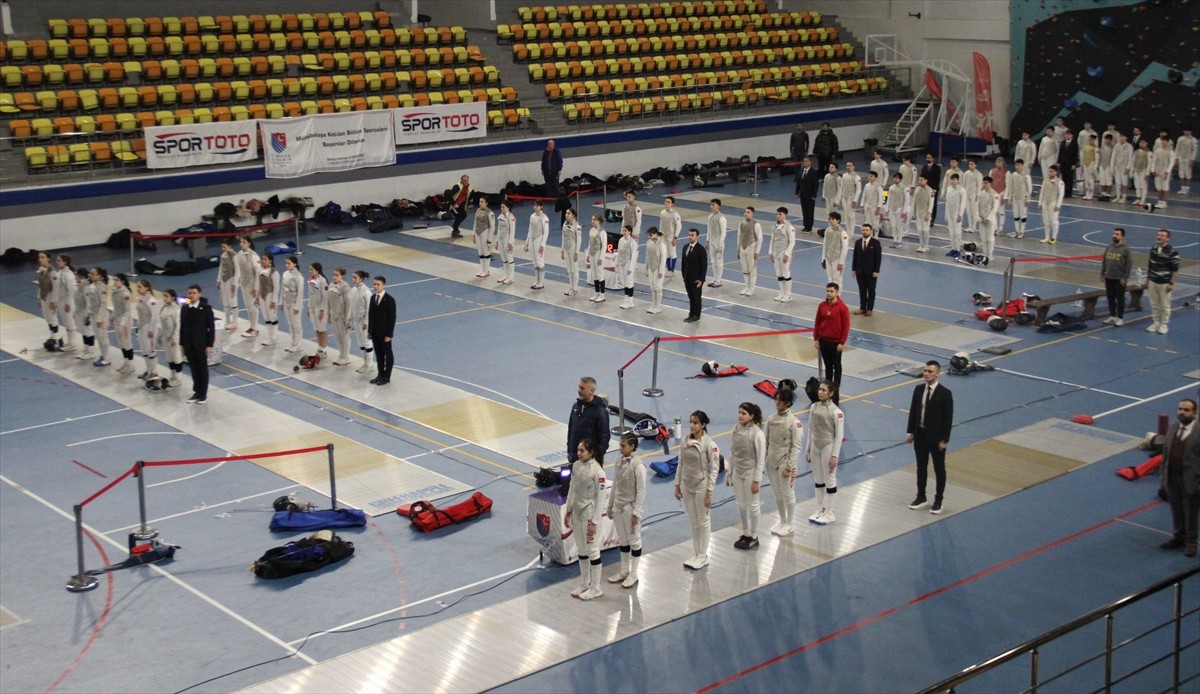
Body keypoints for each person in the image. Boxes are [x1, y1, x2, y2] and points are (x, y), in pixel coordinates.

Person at [675, 410, 721, 569]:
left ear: (703, 425)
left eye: (695, 422)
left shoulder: (710, 445)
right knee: (693, 521)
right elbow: (680, 464)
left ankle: (703, 555)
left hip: (702, 484)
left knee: (703, 521)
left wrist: (709, 492)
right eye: (691, 422)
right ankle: (696, 553)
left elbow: (714, 470)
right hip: (687, 484)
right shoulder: (685, 441)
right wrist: (677, 484)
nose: (692, 426)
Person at [906, 360, 953, 514]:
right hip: (920, 435)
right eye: (925, 371)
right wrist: (910, 432)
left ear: (938, 373)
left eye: (930, 371)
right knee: (921, 467)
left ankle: (938, 500)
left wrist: (944, 439)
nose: (926, 374)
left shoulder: (945, 394)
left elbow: (948, 419)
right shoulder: (918, 389)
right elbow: (913, 411)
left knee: (939, 469)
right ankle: (921, 496)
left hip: (936, 438)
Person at [605, 432, 647, 588]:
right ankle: (624, 571)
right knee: (623, 541)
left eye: (623, 446)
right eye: (620, 445)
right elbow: (615, 485)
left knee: (634, 541)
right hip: (618, 507)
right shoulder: (618, 462)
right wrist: (610, 506)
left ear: (632, 447)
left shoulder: (638, 466)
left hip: (630, 508)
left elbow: (641, 491)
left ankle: (634, 573)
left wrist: (637, 513)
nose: (620, 449)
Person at [564, 438, 604, 600]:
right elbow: (572, 489)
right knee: (581, 549)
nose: (578, 453)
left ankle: (596, 587)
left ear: (591, 452)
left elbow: (601, 499)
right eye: (578, 450)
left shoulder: (598, 472)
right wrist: (568, 510)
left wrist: (594, 522)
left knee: (592, 550)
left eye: (582, 451)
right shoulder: (576, 466)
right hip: (577, 512)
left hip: (589, 513)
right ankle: (585, 583)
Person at [1158, 399, 1199, 557]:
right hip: (1172, 477)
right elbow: (1165, 455)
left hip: (1192, 480)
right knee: (1176, 509)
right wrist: (1163, 481)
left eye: (1186, 410)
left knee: (1191, 513)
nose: (1182, 412)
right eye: (1180, 409)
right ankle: (1178, 537)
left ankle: (1191, 542)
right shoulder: (1172, 428)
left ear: (1194, 413)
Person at [726, 402, 767, 549]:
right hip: (738, 472)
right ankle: (745, 533)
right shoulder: (735, 429)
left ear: (751, 416)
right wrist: (729, 472)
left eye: (743, 413)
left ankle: (754, 536)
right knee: (741, 505)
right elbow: (732, 452)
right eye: (739, 412)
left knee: (753, 505)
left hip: (751, 472)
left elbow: (761, 459)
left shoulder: (758, 433)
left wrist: (757, 480)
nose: (740, 416)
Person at [765, 386, 803, 536]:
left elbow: (796, 446)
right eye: (776, 399)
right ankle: (782, 521)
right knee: (778, 493)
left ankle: (790, 523)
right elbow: (766, 441)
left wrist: (790, 466)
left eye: (781, 400)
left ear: (787, 403)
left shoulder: (794, 422)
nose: (777, 402)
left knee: (788, 493)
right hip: (771, 461)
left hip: (785, 461)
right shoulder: (770, 419)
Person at [806, 380, 844, 525]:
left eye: (823, 390)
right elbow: (811, 428)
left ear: (831, 393)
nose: (820, 392)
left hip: (828, 445)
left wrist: (835, 456)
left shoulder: (837, 412)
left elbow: (839, 436)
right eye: (819, 390)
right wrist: (808, 448)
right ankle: (821, 508)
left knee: (829, 479)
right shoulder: (814, 407)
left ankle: (830, 512)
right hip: (816, 445)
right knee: (818, 479)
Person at [180, 284, 215, 404]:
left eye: (194, 293)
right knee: (194, 369)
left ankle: (203, 394)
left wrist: (209, 345)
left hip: (201, 345)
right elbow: (182, 327)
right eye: (190, 293)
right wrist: (182, 344)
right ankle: (196, 391)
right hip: (189, 345)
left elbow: (211, 327)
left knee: (202, 369)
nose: (192, 295)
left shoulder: (206, 308)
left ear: (199, 294)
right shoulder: (185, 308)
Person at [567, 376, 611, 465]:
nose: (579, 390)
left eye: (582, 388)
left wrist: (596, 457)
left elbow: (604, 438)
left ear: (591, 391)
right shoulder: (575, 406)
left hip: (591, 461)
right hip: (575, 458)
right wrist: (570, 451)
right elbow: (571, 430)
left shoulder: (600, 412)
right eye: (579, 387)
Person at [813, 282, 850, 388]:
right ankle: (828, 387)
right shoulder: (822, 306)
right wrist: (816, 338)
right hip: (823, 340)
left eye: (831, 291)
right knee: (828, 365)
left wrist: (842, 342)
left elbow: (846, 326)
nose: (829, 293)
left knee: (837, 366)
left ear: (836, 292)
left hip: (835, 342)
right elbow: (817, 322)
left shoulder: (843, 308)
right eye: (827, 291)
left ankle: (836, 387)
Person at [1146, 228, 1180, 335]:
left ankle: (1164, 324)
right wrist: (1147, 279)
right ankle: (1156, 322)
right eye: (1158, 235)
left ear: (1167, 238)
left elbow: (1175, 269)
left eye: (1162, 235)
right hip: (1153, 281)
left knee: (1165, 305)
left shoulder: (1173, 252)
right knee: (1154, 303)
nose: (1159, 237)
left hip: (1164, 282)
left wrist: (1171, 283)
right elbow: (1150, 265)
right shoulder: (1153, 249)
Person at [367, 275, 396, 385]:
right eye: (374, 284)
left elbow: (392, 318)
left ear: (384, 285)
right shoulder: (372, 298)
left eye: (378, 284)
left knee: (387, 354)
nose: (375, 286)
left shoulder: (389, 300)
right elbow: (371, 315)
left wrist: (389, 334)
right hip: (375, 332)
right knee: (378, 354)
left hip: (385, 333)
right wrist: (370, 331)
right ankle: (380, 374)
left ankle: (387, 376)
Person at [1100, 228, 1131, 326]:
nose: (1114, 235)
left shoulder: (1126, 249)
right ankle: (1112, 315)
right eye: (1114, 234)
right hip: (1109, 276)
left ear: (1122, 236)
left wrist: (1125, 277)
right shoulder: (1109, 247)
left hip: (1119, 278)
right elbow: (1104, 260)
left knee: (1120, 298)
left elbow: (1128, 264)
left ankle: (1120, 317)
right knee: (1110, 297)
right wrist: (1102, 273)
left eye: (1117, 234)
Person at [851, 223, 882, 316]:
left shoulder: (875, 243)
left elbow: (878, 258)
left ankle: (869, 309)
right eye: (863, 230)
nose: (865, 231)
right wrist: (853, 269)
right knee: (862, 290)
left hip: (871, 272)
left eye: (866, 230)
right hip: (860, 271)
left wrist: (876, 271)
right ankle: (862, 308)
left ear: (871, 231)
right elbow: (855, 256)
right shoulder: (858, 242)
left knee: (871, 290)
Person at [134, 279, 161, 380]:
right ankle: (148, 369)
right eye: (137, 287)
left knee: (151, 351)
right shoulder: (141, 298)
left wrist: (151, 330)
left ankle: (154, 372)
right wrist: (138, 326)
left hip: (149, 328)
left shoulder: (151, 301)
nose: (138, 289)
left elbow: (154, 317)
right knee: (144, 350)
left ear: (147, 288)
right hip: (141, 327)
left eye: (140, 287)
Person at [50, 254, 78, 352]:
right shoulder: (61, 272)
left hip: (68, 302)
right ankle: (70, 342)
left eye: (59, 261)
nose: (57, 262)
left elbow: (71, 290)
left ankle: (73, 344)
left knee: (70, 323)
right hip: (62, 301)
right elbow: (59, 289)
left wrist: (68, 303)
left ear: (65, 262)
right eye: (57, 260)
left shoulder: (68, 274)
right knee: (66, 323)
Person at [235, 236, 260, 339]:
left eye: (244, 242)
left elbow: (258, 273)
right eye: (240, 242)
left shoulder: (254, 256)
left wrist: (256, 288)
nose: (241, 244)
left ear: (249, 243)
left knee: (252, 306)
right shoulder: (239, 254)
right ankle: (252, 326)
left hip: (252, 284)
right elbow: (238, 270)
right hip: (244, 284)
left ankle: (255, 328)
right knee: (248, 306)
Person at [680, 228, 707, 323]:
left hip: (696, 279)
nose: (690, 237)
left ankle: (696, 315)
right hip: (687, 278)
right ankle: (691, 314)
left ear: (697, 237)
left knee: (696, 297)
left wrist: (701, 279)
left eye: (692, 235)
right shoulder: (685, 247)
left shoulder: (701, 249)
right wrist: (684, 275)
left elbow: (704, 265)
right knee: (690, 297)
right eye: (689, 235)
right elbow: (683, 263)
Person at [86, 267, 111, 367]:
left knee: (103, 337)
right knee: (99, 338)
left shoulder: (102, 288)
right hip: (93, 314)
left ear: (100, 276)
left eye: (93, 274)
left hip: (101, 316)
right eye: (90, 273)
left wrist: (99, 318)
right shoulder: (92, 286)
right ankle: (104, 355)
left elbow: (103, 304)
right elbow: (90, 303)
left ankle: (107, 359)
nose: (91, 275)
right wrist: (88, 314)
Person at [770, 207, 796, 303]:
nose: (778, 216)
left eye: (780, 214)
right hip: (776, 252)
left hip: (784, 253)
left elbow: (792, 242)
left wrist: (787, 254)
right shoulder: (775, 226)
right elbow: (772, 240)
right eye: (777, 214)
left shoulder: (789, 227)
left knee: (786, 273)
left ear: (785, 215)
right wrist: (770, 252)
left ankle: (788, 295)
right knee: (779, 273)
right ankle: (782, 293)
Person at [736, 206, 763, 297]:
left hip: (751, 247)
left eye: (748, 212)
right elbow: (739, 237)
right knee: (745, 268)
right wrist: (738, 249)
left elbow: (759, 238)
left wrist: (757, 251)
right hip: (743, 247)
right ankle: (747, 287)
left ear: (752, 213)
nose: (746, 213)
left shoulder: (756, 224)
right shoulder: (741, 223)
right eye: (745, 212)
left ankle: (752, 289)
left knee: (752, 268)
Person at [110, 273, 135, 373]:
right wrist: (111, 317)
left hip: (125, 321)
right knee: (121, 343)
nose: (115, 282)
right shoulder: (116, 292)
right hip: (118, 319)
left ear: (122, 282)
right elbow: (116, 308)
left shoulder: (125, 294)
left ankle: (131, 365)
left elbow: (127, 310)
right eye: (114, 280)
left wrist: (122, 323)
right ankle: (126, 362)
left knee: (127, 342)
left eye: (117, 280)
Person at [326, 268, 352, 365]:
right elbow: (328, 301)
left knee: (344, 337)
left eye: (337, 275)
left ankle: (346, 357)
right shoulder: (331, 285)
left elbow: (348, 304)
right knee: (337, 336)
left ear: (342, 276)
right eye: (334, 275)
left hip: (342, 316)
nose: (335, 277)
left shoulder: (345, 288)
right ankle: (341, 355)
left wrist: (347, 319)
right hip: (334, 315)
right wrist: (328, 314)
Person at [280, 256, 305, 353]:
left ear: (294, 264)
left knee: (296, 324)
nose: (287, 265)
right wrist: (281, 302)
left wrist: (297, 306)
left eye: (289, 263)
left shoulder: (299, 276)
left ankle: (298, 344)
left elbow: (300, 292)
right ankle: (293, 342)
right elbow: (282, 289)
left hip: (294, 303)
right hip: (287, 302)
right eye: (286, 263)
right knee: (290, 323)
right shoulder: (285, 274)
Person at [350, 270, 373, 373]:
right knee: (360, 342)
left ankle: (370, 365)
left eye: (355, 277)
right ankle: (365, 363)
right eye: (353, 277)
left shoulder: (367, 292)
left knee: (367, 342)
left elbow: (369, 308)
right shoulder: (353, 290)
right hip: (356, 320)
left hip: (364, 321)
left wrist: (366, 322)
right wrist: (349, 319)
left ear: (361, 279)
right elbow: (351, 306)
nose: (353, 279)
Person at [159, 288, 183, 386]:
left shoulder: (176, 309)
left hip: (174, 338)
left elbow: (178, 325)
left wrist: (175, 338)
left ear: (172, 298)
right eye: (164, 296)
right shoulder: (164, 307)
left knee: (176, 357)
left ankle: (178, 378)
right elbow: (162, 323)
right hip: (166, 336)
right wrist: (161, 335)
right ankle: (172, 375)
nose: (164, 298)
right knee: (170, 357)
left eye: (167, 296)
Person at [525, 199, 550, 289]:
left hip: (539, 240)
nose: (535, 207)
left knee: (539, 261)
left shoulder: (544, 218)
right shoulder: (532, 216)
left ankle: (541, 282)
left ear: (541, 207)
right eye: (534, 205)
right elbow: (529, 230)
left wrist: (542, 245)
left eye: (536, 205)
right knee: (535, 262)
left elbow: (546, 232)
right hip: (532, 239)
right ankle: (537, 281)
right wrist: (526, 242)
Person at [35, 251, 59, 345]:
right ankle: (52, 336)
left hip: (50, 296)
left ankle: (56, 338)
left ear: (48, 258)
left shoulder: (52, 271)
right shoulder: (41, 270)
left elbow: (56, 287)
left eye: (43, 257)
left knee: (52, 317)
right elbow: (40, 285)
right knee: (47, 317)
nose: (40, 259)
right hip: (44, 296)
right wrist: (39, 297)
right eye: (39, 257)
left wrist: (54, 301)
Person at [216, 239, 239, 332]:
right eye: (222, 247)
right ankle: (228, 320)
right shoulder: (223, 255)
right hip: (224, 280)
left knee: (232, 301)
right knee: (225, 301)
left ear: (230, 246)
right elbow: (221, 268)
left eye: (225, 247)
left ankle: (235, 322)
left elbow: (238, 270)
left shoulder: (235, 255)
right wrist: (218, 280)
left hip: (232, 280)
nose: (223, 249)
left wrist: (234, 283)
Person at [257, 254, 280, 347]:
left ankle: (273, 338)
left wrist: (274, 301)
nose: (263, 261)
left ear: (270, 261)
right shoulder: (260, 270)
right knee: (266, 316)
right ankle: (270, 337)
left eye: (265, 259)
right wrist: (257, 297)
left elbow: (276, 287)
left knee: (272, 316)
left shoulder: (274, 272)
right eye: (263, 259)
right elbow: (259, 284)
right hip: (262, 296)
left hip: (270, 295)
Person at [1006, 159, 1033, 239]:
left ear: (1022, 166)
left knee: (1023, 215)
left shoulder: (1026, 176)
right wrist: (1009, 197)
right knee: (1016, 215)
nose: (1017, 167)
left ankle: (1021, 232)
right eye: (1016, 165)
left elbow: (1029, 189)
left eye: (1018, 165)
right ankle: (1017, 231)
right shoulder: (1013, 175)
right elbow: (1010, 187)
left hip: (1022, 198)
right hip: (1015, 198)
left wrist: (1027, 199)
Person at [1038, 165, 1065, 244]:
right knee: (1046, 221)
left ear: (1056, 172)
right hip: (1045, 202)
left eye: (1052, 171)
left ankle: (1053, 238)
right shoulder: (1045, 180)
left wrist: (1058, 205)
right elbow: (1042, 192)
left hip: (1053, 203)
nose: (1050, 173)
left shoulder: (1060, 182)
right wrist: (1040, 203)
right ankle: (1047, 237)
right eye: (1049, 171)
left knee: (1054, 221)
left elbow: (1061, 194)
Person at [73, 267, 95, 361]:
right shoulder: (81, 285)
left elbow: (88, 302)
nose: (75, 277)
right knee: (83, 330)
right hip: (80, 310)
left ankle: (91, 351)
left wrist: (88, 315)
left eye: (76, 275)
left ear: (81, 276)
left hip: (85, 311)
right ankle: (86, 350)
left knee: (88, 331)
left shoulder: (86, 287)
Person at [307, 262, 329, 357]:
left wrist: (322, 310)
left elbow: (325, 297)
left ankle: (324, 349)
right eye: (310, 269)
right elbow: (310, 295)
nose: (310, 271)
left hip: (320, 309)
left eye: (312, 269)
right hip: (313, 307)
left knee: (322, 330)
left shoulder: (322, 281)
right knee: (316, 329)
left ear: (317, 270)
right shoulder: (310, 280)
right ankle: (319, 348)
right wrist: (308, 307)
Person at [494, 200, 518, 285]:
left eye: (503, 207)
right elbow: (498, 229)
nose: (502, 209)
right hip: (500, 238)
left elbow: (512, 231)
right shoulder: (500, 216)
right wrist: (497, 241)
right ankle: (505, 275)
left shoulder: (511, 217)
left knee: (509, 257)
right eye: (501, 207)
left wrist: (510, 243)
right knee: (503, 257)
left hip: (507, 239)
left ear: (508, 208)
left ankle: (511, 277)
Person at [822, 211, 849, 285]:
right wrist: (823, 258)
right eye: (830, 219)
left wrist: (841, 262)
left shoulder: (842, 232)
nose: (830, 221)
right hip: (828, 258)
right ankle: (832, 296)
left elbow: (845, 248)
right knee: (830, 279)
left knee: (837, 280)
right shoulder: (827, 230)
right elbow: (825, 245)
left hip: (837, 259)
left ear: (838, 220)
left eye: (833, 219)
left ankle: (837, 297)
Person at [643, 225, 666, 314]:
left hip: (658, 268)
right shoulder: (648, 243)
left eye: (651, 235)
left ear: (656, 234)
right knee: (652, 287)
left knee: (658, 287)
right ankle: (653, 304)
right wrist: (646, 268)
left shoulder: (661, 244)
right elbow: (647, 256)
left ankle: (658, 306)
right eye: (649, 235)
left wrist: (660, 270)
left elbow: (663, 258)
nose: (650, 236)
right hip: (651, 267)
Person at [1151, 131, 1176, 209]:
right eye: (1162, 140)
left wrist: (1167, 172)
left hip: (1165, 172)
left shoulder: (1170, 152)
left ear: (1168, 142)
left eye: (1165, 141)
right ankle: (1159, 201)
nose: (1163, 142)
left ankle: (1164, 202)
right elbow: (1154, 161)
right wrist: (1153, 170)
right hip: (1158, 171)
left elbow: (1171, 163)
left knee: (1165, 187)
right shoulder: (1157, 151)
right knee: (1159, 187)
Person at [704, 198, 726, 286]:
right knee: (713, 261)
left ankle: (719, 280)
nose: (711, 206)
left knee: (719, 261)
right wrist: (707, 241)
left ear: (718, 206)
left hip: (718, 243)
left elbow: (723, 232)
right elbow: (709, 229)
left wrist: (720, 244)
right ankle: (715, 279)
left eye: (713, 205)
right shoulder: (710, 216)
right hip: (712, 242)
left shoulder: (722, 218)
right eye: (711, 204)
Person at [472, 196, 495, 278]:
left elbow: (492, 227)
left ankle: (486, 270)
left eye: (482, 202)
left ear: (486, 203)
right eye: (479, 201)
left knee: (486, 252)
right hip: (478, 233)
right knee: (480, 252)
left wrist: (489, 240)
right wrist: (473, 234)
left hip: (485, 232)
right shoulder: (477, 210)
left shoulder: (490, 213)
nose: (480, 203)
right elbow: (475, 222)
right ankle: (482, 269)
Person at [795, 156, 820, 232]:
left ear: (810, 162)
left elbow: (815, 185)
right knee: (804, 211)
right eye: (804, 161)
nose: (805, 162)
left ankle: (809, 227)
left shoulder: (813, 172)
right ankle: (805, 225)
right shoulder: (801, 171)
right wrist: (797, 192)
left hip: (810, 195)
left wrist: (814, 195)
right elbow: (798, 182)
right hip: (802, 194)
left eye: (807, 161)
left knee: (810, 211)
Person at [615, 224, 637, 309]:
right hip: (621, 263)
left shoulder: (632, 242)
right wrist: (616, 264)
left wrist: (631, 268)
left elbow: (634, 256)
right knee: (624, 282)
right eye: (623, 230)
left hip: (628, 263)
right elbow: (619, 252)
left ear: (629, 232)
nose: (623, 232)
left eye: (625, 231)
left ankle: (630, 301)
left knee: (629, 282)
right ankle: (626, 299)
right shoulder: (621, 240)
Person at [586, 214, 607, 302]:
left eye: (594, 219)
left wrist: (601, 258)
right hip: (592, 254)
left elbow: (604, 246)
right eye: (592, 219)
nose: (592, 221)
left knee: (600, 274)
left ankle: (602, 295)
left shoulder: (602, 232)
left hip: (598, 253)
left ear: (599, 221)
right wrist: (588, 254)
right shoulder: (591, 230)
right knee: (594, 274)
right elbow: (590, 243)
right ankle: (596, 293)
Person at [561, 207, 582, 296]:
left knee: (574, 269)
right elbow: (563, 238)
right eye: (566, 213)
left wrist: (576, 252)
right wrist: (562, 250)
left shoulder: (577, 226)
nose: (566, 215)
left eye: (569, 213)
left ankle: (575, 289)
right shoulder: (564, 224)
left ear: (573, 215)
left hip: (573, 248)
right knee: (569, 270)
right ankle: (571, 287)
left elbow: (579, 240)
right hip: (566, 248)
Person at [977, 176, 998, 261]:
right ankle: (984, 254)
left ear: (990, 183)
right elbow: (977, 206)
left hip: (990, 220)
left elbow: (994, 208)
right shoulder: (980, 193)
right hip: (982, 219)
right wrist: (979, 217)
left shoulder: (994, 194)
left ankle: (990, 255)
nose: (984, 184)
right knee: (983, 238)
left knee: (990, 238)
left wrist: (988, 218)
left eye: (986, 183)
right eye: (983, 182)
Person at [660, 195, 682, 279]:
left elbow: (679, 226)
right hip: (663, 236)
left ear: (672, 204)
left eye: (668, 202)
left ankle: (672, 270)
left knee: (672, 253)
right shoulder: (662, 212)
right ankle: (669, 269)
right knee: (666, 253)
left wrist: (675, 238)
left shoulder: (675, 214)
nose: (666, 203)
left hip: (671, 236)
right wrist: (660, 234)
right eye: (666, 201)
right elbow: (661, 224)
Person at [885, 172, 909, 246]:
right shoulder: (891, 188)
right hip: (892, 208)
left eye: (897, 178)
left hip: (900, 209)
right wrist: (887, 209)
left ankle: (899, 241)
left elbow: (907, 200)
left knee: (899, 226)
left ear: (900, 179)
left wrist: (904, 211)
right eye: (894, 177)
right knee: (893, 225)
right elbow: (889, 199)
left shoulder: (904, 188)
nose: (895, 179)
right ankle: (895, 240)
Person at [943, 173, 965, 255]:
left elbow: (962, 204)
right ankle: (953, 248)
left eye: (954, 179)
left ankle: (958, 250)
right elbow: (947, 202)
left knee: (957, 232)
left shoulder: (962, 190)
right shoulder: (949, 189)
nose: (952, 181)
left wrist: (960, 215)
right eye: (951, 179)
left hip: (957, 214)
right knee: (951, 232)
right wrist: (946, 214)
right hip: (950, 212)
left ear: (958, 180)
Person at [860, 171, 885, 242]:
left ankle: (876, 236)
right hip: (867, 206)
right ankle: (869, 236)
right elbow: (864, 196)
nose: (870, 177)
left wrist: (878, 208)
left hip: (874, 207)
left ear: (875, 177)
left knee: (875, 222)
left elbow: (880, 198)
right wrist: (862, 206)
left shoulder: (878, 187)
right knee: (868, 222)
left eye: (871, 176)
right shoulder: (866, 185)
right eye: (869, 176)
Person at [911, 174, 934, 253]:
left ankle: (926, 246)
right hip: (918, 212)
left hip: (925, 212)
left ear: (926, 180)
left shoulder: (930, 190)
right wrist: (913, 212)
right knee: (920, 229)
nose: (919, 181)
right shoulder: (917, 189)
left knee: (925, 229)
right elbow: (914, 201)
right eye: (919, 179)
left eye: (921, 180)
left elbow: (931, 203)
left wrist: (929, 213)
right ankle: (921, 245)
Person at [920, 153, 942, 226]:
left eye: (929, 157)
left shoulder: (936, 168)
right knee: (925, 203)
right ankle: (925, 218)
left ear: (933, 159)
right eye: (927, 157)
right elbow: (922, 177)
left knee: (933, 205)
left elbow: (937, 179)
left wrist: (935, 190)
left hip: (933, 189)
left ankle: (932, 219)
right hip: (925, 188)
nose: (927, 159)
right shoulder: (924, 166)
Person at [839, 161, 861, 231]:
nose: (848, 167)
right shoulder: (844, 176)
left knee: (851, 215)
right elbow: (841, 188)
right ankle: (848, 230)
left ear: (853, 167)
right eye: (847, 166)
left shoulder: (857, 177)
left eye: (850, 166)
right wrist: (839, 197)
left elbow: (858, 190)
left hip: (851, 198)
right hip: (844, 198)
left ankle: (851, 232)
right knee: (846, 215)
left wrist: (855, 200)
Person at [1111, 133, 1134, 203]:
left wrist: (1128, 168)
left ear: (1126, 138)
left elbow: (1130, 158)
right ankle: (1118, 197)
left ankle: (1124, 198)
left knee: (1124, 183)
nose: (1121, 138)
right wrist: (1112, 167)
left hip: (1124, 167)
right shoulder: (1116, 146)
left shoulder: (1129, 146)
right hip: (1117, 167)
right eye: (1120, 136)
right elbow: (1113, 157)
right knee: (1118, 183)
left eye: (1123, 136)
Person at [962, 159, 983, 234]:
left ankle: (974, 227)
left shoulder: (978, 174)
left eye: (972, 164)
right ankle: (970, 225)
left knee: (974, 211)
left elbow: (980, 185)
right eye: (969, 164)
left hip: (974, 195)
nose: (970, 165)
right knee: (968, 211)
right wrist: (963, 193)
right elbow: (963, 184)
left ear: (975, 165)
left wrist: (978, 195)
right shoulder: (966, 173)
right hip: (967, 194)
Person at [1057, 130, 1079, 198]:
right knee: (1064, 178)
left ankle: (1069, 193)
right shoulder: (1063, 143)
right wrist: (1058, 162)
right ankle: (1063, 192)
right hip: (1063, 163)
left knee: (1069, 179)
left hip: (1070, 164)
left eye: (1068, 134)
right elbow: (1060, 153)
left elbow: (1075, 155)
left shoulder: (1075, 144)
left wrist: (1074, 164)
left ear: (1071, 135)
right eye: (1066, 134)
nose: (1067, 136)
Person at [1175, 126, 1195, 194]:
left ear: (1190, 132)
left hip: (1188, 158)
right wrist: (1176, 158)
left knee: (1188, 174)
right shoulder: (1180, 138)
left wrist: (1192, 160)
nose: (1186, 132)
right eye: (1185, 131)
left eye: (1188, 131)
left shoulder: (1193, 139)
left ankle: (1187, 188)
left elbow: (1194, 150)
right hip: (1181, 158)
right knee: (1181, 174)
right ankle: (1182, 188)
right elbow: (1177, 148)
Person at [1130, 139, 1151, 206]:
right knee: (1137, 185)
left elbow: (1150, 163)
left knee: (1143, 185)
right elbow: (1133, 161)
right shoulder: (1136, 151)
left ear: (1146, 143)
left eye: (1143, 142)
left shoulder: (1149, 152)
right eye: (1140, 142)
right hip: (1136, 170)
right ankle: (1138, 198)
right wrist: (1132, 170)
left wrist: (1147, 173)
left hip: (1143, 170)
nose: (1141, 144)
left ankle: (1143, 199)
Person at [1080, 134, 1098, 200]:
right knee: (1086, 179)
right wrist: (1082, 165)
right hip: (1085, 164)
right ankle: (1087, 193)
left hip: (1092, 164)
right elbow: (1083, 157)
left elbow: (1097, 158)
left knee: (1091, 179)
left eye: (1091, 139)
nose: (1090, 140)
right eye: (1089, 139)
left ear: (1094, 140)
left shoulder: (1095, 148)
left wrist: (1095, 167)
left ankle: (1091, 194)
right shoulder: (1085, 147)